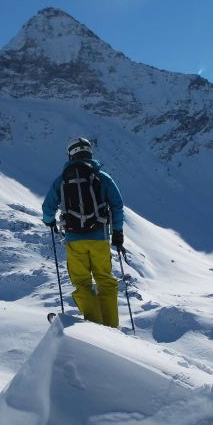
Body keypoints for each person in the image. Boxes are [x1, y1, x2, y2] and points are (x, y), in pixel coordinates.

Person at [42, 137, 125, 328]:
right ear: (89, 153)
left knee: (82, 283)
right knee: (105, 281)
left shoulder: (62, 180)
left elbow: (48, 208)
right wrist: (118, 233)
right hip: (99, 238)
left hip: (74, 240)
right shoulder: (102, 177)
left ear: (70, 155)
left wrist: (50, 222)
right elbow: (117, 206)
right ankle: (111, 327)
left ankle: (95, 326)